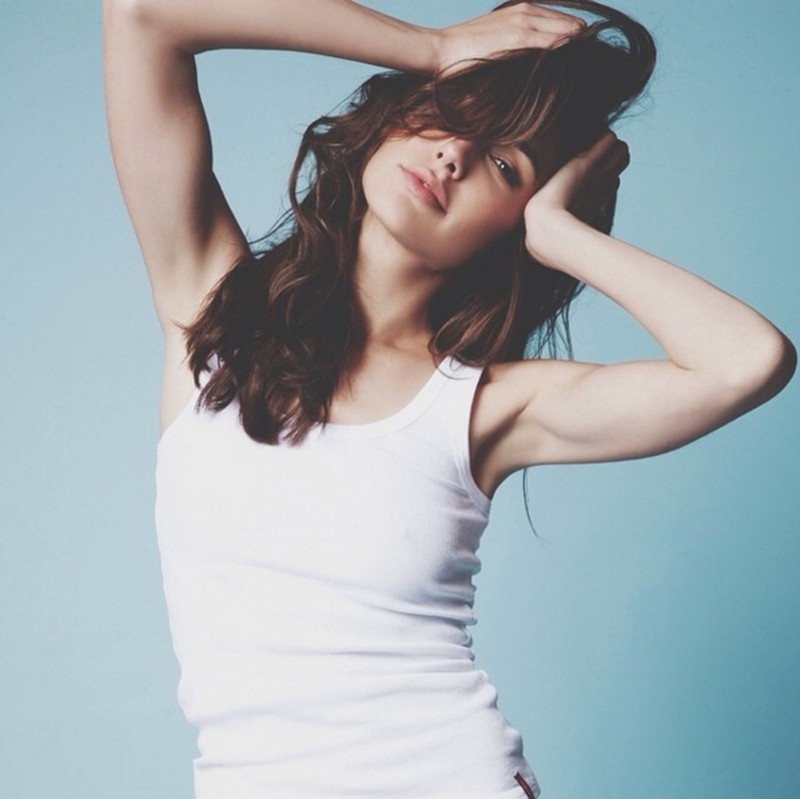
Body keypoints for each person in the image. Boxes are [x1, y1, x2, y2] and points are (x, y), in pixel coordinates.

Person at [102, 1, 796, 797]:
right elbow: (143, 14)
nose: (454, 154)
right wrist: (432, 47)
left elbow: (749, 362)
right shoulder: (209, 304)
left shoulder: (485, 405)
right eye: (454, 109)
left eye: (505, 165)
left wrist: (562, 235)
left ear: (515, 223)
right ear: (400, 105)